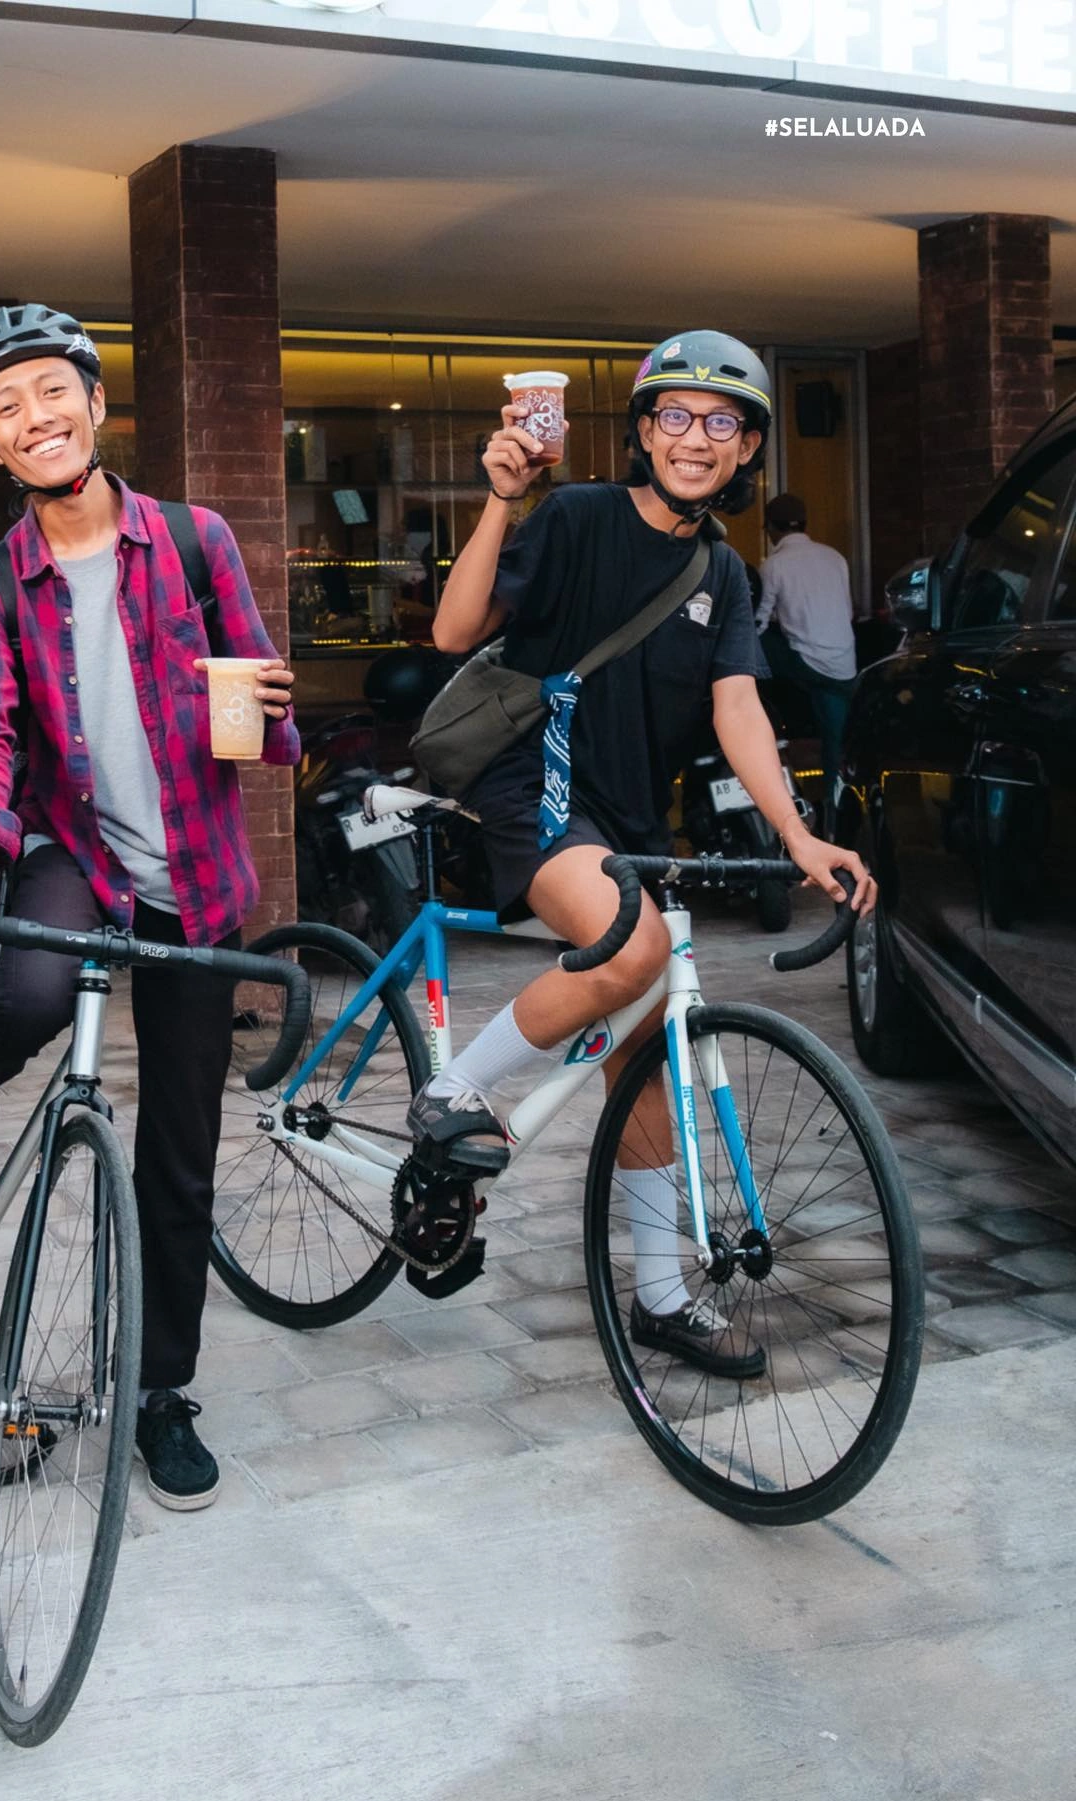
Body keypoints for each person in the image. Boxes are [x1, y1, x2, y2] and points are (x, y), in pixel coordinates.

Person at [0, 304, 299, 1510]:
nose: (36, 418)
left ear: (97, 405)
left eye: (53, 391)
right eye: (5, 408)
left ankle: (160, 1391)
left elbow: (266, 717)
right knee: (27, 994)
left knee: (180, 1157)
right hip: (77, 851)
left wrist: (270, 711)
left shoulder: (197, 540)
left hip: (195, 883)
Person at [405, 331, 875, 1379]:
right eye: (675, 414)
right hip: (534, 787)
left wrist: (798, 831)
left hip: (629, 820)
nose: (695, 437)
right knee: (636, 945)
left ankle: (661, 1295)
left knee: (646, 1059)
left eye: (722, 421)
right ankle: (455, 1094)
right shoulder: (577, 515)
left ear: (748, 447)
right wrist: (502, 500)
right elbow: (452, 630)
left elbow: (739, 707)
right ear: (644, 431)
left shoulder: (723, 571)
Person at [755, 492, 858, 819]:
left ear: (771, 528)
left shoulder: (774, 565)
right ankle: (834, 805)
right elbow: (847, 612)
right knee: (834, 738)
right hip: (844, 663)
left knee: (753, 643)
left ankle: (760, 720)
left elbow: (758, 621)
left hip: (806, 663)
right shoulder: (835, 558)